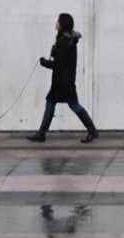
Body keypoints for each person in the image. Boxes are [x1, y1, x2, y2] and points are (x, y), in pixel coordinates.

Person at [28, 12, 97, 142]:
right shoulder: (68, 40)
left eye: (58, 21)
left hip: (62, 81)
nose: (56, 23)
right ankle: (41, 133)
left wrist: (44, 62)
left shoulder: (64, 41)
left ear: (63, 24)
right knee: (52, 102)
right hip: (65, 80)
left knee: (72, 105)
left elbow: (59, 64)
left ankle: (92, 130)